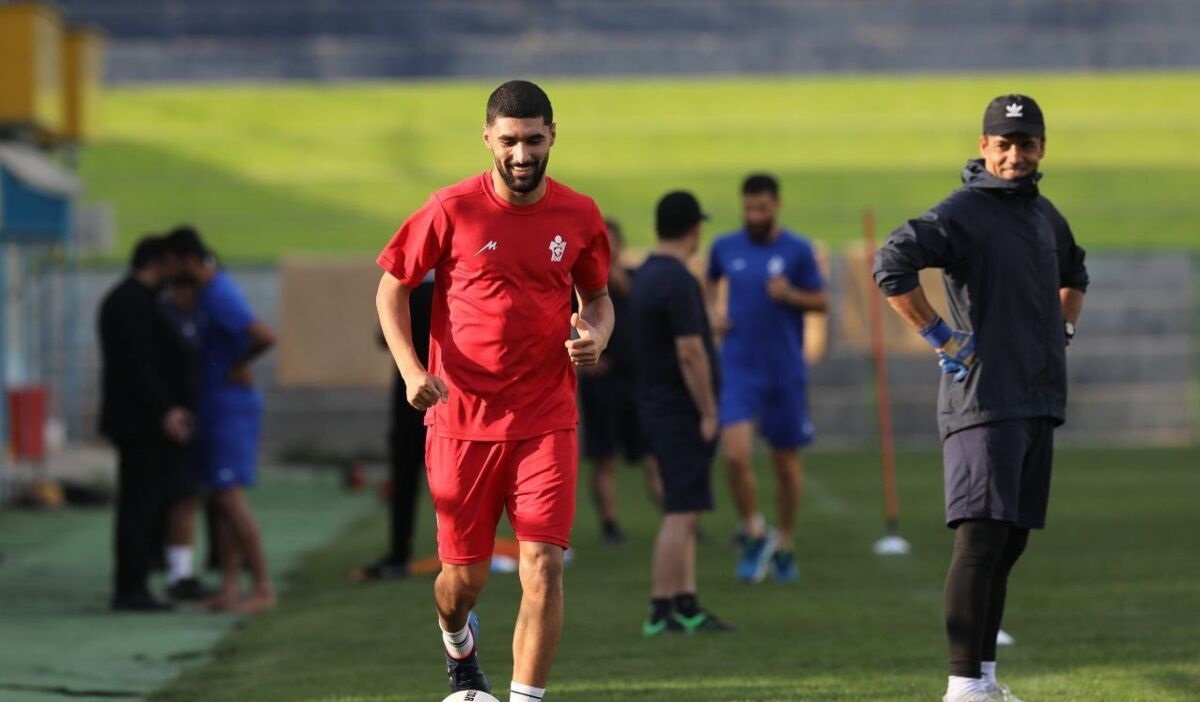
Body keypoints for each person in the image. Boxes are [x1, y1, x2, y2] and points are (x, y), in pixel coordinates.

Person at [375, 80, 613, 701]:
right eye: (509, 141)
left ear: (553, 136)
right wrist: (411, 371)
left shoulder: (580, 215)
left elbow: (598, 298)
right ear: (487, 138)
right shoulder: (451, 208)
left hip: (546, 418)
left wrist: (596, 335)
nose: (522, 154)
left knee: (544, 566)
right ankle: (458, 642)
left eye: (534, 140)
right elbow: (392, 287)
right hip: (461, 421)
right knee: (463, 582)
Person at [873, 94, 1088, 702]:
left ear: (1042, 147)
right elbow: (892, 263)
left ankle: (985, 681)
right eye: (1005, 143)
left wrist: (1062, 330)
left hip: (1037, 400)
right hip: (984, 401)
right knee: (980, 539)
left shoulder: (1045, 215)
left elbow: (1075, 273)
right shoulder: (963, 211)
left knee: (1009, 542)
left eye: (1026, 143)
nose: (1016, 154)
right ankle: (962, 684)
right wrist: (940, 335)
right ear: (984, 146)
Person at [704, 174, 827, 583]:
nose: (755, 215)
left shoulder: (798, 250)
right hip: (738, 368)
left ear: (776, 205)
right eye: (749, 208)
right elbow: (708, 283)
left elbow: (821, 300)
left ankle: (785, 542)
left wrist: (790, 295)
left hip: (784, 371)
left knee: (786, 464)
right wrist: (712, 313)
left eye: (762, 208)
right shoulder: (725, 247)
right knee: (735, 455)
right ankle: (755, 530)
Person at [630, 191, 732, 636]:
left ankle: (686, 602)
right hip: (679, 408)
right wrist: (708, 410)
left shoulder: (646, 275)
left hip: (656, 402)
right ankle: (661, 608)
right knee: (681, 511)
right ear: (694, 229)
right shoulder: (678, 280)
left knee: (686, 507)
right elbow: (690, 350)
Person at [165, 226, 278, 614]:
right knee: (221, 499)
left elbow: (263, 335)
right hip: (217, 403)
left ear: (186, 260)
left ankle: (262, 586)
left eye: (172, 264)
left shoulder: (218, 292)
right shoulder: (209, 292)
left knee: (230, 498)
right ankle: (230, 587)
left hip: (231, 405)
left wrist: (235, 366)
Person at [98, 235, 193, 611]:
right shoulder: (133, 302)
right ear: (159, 261)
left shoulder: (131, 299)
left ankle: (135, 581)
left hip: (138, 418)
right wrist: (164, 410)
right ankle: (130, 587)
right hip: (138, 422)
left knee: (142, 503)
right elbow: (138, 365)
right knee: (139, 505)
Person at [578, 217, 663, 545]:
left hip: (638, 381)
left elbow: (647, 311)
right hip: (603, 382)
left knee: (652, 454)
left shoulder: (635, 278)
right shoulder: (580, 285)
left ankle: (676, 515)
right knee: (605, 457)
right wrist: (585, 361)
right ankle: (610, 525)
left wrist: (618, 280)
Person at [353, 272, 436, 582]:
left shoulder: (405, 287)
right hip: (451, 394)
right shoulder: (458, 285)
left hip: (412, 396)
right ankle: (465, 554)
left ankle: (400, 552)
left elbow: (383, 335)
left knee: (405, 476)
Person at [156, 276, 212, 600]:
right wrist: (168, 409)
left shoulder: (193, 316)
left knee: (189, 495)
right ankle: (177, 572)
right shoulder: (167, 317)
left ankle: (180, 569)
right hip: (176, 419)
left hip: (189, 415)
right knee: (182, 495)